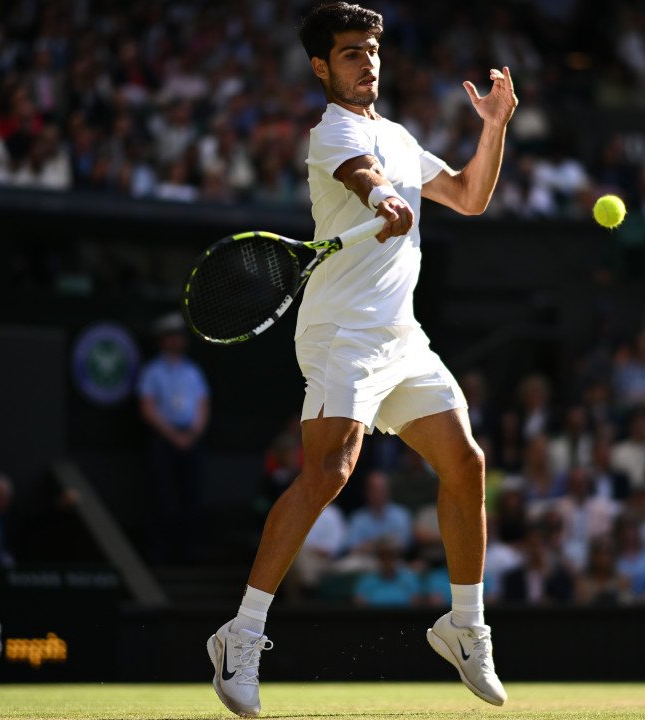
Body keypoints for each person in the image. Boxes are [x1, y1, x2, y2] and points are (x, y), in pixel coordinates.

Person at [206, 4, 517, 715]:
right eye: (351, 53)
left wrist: (494, 127)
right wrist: (380, 194)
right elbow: (359, 171)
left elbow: (469, 197)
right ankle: (240, 635)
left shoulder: (401, 136)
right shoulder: (332, 132)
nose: (367, 63)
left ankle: (464, 627)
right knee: (330, 470)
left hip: (400, 336)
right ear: (322, 66)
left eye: (372, 50)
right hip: (341, 334)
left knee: (466, 463)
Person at [138, 312, 209, 565]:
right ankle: (159, 554)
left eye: (180, 336)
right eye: (171, 336)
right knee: (162, 496)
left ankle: (187, 553)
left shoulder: (193, 372)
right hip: (163, 439)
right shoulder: (152, 372)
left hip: (190, 439)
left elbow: (203, 405)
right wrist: (173, 436)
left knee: (190, 496)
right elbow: (148, 408)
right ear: (162, 340)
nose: (177, 341)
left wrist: (192, 433)